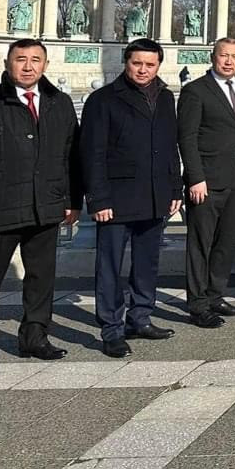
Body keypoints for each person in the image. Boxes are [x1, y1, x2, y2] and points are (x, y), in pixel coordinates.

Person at [0, 39, 79, 381]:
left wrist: (72, 200)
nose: (29, 66)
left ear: (46, 65)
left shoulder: (60, 103)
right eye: (21, 59)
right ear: (8, 63)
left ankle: (35, 336)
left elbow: (70, 155)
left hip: (44, 205)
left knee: (41, 278)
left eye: (36, 59)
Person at [80, 38, 180, 357]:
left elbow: (170, 146)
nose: (143, 70)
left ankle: (141, 317)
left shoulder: (165, 97)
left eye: (150, 64)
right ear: (126, 62)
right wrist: (98, 199)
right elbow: (92, 153)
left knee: (147, 262)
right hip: (116, 196)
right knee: (110, 265)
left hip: (154, 193)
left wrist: (175, 188)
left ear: (159, 66)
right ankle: (111, 328)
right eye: (137, 63)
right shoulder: (103, 99)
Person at [177, 37, 235, 328]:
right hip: (207, 179)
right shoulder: (195, 90)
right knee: (201, 243)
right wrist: (195, 178)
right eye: (224, 55)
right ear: (213, 57)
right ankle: (198, 304)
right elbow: (187, 138)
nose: (229, 61)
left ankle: (215, 294)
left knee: (226, 240)